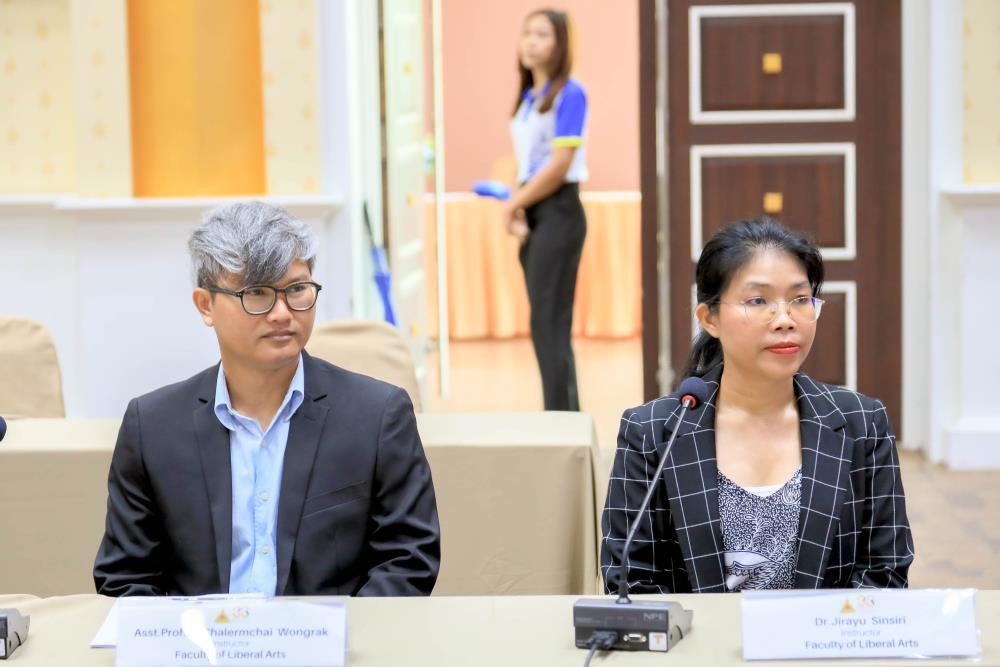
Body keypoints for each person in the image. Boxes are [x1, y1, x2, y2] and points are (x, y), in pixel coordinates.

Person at [94, 202, 440, 597]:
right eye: (256, 293)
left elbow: (408, 559)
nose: (281, 313)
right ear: (206, 305)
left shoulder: (377, 415)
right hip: (197, 637)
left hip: (337, 637)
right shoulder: (152, 426)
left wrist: (341, 632)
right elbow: (125, 577)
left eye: (296, 289)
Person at [601, 217, 914, 593]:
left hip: (827, 633)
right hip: (696, 634)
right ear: (710, 318)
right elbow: (631, 580)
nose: (784, 320)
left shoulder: (862, 422)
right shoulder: (652, 431)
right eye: (758, 301)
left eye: (800, 300)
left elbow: (884, 572)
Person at [504, 8, 588, 411]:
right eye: (527, 33)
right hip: (536, 210)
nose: (531, 41)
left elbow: (558, 166)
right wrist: (520, 204)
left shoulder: (571, 94)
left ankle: (561, 419)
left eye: (542, 34)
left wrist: (513, 204)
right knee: (544, 324)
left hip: (560, 210)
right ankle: (563, 415)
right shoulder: (528, 99)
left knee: (550, 325)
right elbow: (529, 164)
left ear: (560, 44)